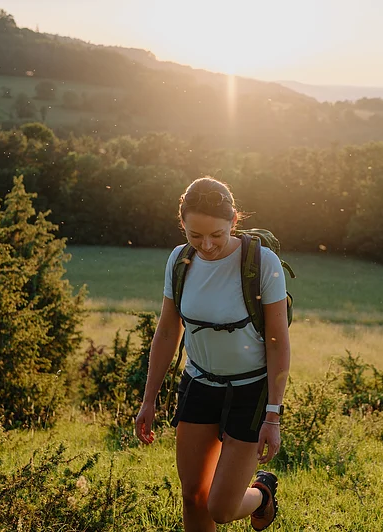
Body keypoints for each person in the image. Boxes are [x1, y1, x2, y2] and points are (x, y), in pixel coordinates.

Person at [135, 177, 291, 531]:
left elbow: (278, 342)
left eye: (217, 235)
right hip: (199, 384)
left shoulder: (262, 263)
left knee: (220, 508)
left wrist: (273, 415)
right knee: (193, 495)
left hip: (251, 391)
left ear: (234, 220)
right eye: (195, 235)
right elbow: (167, 331)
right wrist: (149, 399)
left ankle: (262, 494)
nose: (206, 245)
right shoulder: (179, 261)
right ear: (183, 226)